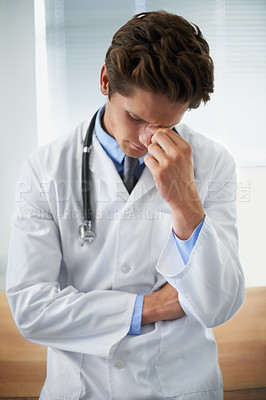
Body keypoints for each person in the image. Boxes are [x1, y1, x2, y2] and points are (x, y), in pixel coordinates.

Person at [6, 10, 245, 400]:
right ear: (105, 81)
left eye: (165, 126)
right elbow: (32, 310)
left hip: (181, 385)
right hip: (83, 387)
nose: (146, 140)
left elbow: (217, 306)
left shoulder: (213, 162)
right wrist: (149, 307)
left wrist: (184, 202)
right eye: (135, 117)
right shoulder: (44, 168)